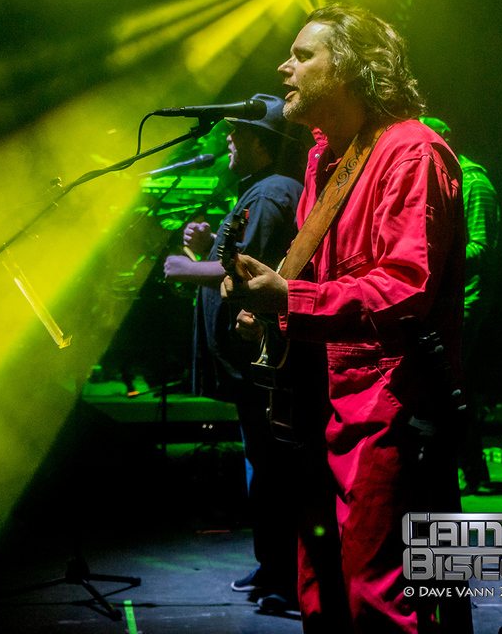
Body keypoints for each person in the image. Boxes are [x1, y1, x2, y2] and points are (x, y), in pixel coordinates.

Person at [221, 4, 473, 633]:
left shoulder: (412, 152)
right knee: (323, 593)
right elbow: (318, 281)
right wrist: (270, 310)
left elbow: (405, 287)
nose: (284, 68)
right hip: (323, 405)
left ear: (352, 69)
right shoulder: (324, 160)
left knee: (384, 599)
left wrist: (290, 301)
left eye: (303, 55)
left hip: (392, 407)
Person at [163, 94, 305, 616]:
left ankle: (286, 575)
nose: (228, 138)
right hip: (250, 366)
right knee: (262, 466)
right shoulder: (259, 190)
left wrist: (186, 268)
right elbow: (234, 263)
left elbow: (254, 272)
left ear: (262, 143)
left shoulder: (270, 193)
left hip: (262, 365)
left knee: (273, 470)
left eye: (238, 132)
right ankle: (272, 564)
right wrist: (206, 250)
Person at [420, 116, 501, 493]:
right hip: (451, 298)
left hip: (468, 298)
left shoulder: (475, 183)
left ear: (446, 139)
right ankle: (471, 470)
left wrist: (433, 259)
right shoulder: (444, 178)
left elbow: (482, 248)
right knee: (454, 386)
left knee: (450, 385)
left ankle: (463, 471)